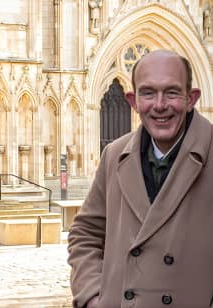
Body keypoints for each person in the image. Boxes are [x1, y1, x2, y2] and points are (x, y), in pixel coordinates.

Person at [67, 49, 213, 308]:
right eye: (148, 93)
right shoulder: (114, 155)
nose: (159, 105)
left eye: (171, 92)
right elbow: (85, 232)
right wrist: (91, 295)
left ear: (191, 99)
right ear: (133, 101)